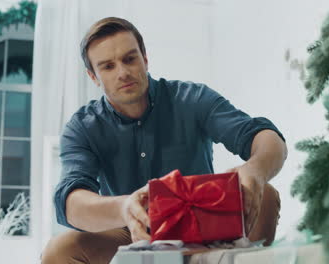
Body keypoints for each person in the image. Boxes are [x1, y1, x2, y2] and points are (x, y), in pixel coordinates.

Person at [41, 17, 287, 263]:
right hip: (131, 233)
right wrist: (124, 208)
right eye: (107, 66)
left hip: (205, 226)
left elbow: (264, 136)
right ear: (93, 76)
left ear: (145, 59)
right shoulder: (82, 127)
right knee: (59, 250)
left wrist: (255, 170)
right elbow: (70, 202)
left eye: (130, 59)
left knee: (264, 193)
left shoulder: (192, 98)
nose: (123, 72)